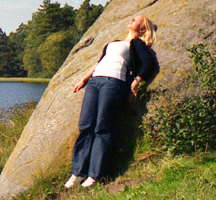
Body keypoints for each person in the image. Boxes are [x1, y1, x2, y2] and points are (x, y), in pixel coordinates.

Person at [64, 14, 159, 189]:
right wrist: (84, 79)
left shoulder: (136, 43)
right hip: (95, 82)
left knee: (102, 127)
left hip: (113, 82)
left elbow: (148, 64)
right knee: (85, 125)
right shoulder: (114, 43)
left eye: (137, 20)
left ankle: (94, 175)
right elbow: (100, 62)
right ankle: (77, 173)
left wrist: (135, 84)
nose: (132, 19)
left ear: (142, 29)